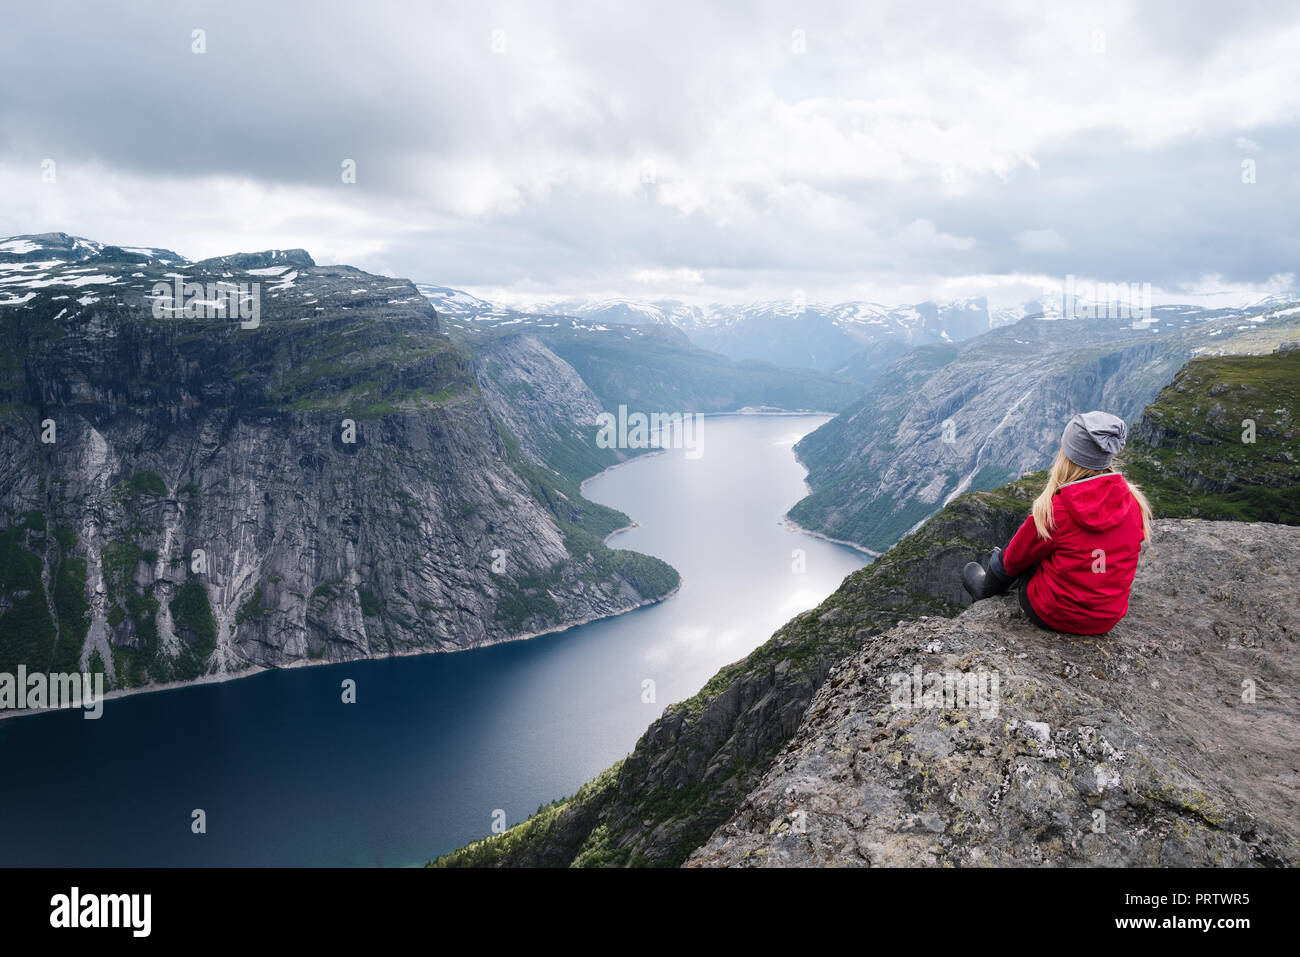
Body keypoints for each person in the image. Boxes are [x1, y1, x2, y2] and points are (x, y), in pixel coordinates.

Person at [962, 411, 1153, 635]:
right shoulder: (1133, 502)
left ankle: (984, 589)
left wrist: (998, 573)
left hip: (1055, 615)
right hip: (1106, 619)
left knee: (1026, 556)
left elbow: (1013, 559)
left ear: (1067, 456)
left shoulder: (1056, 511)